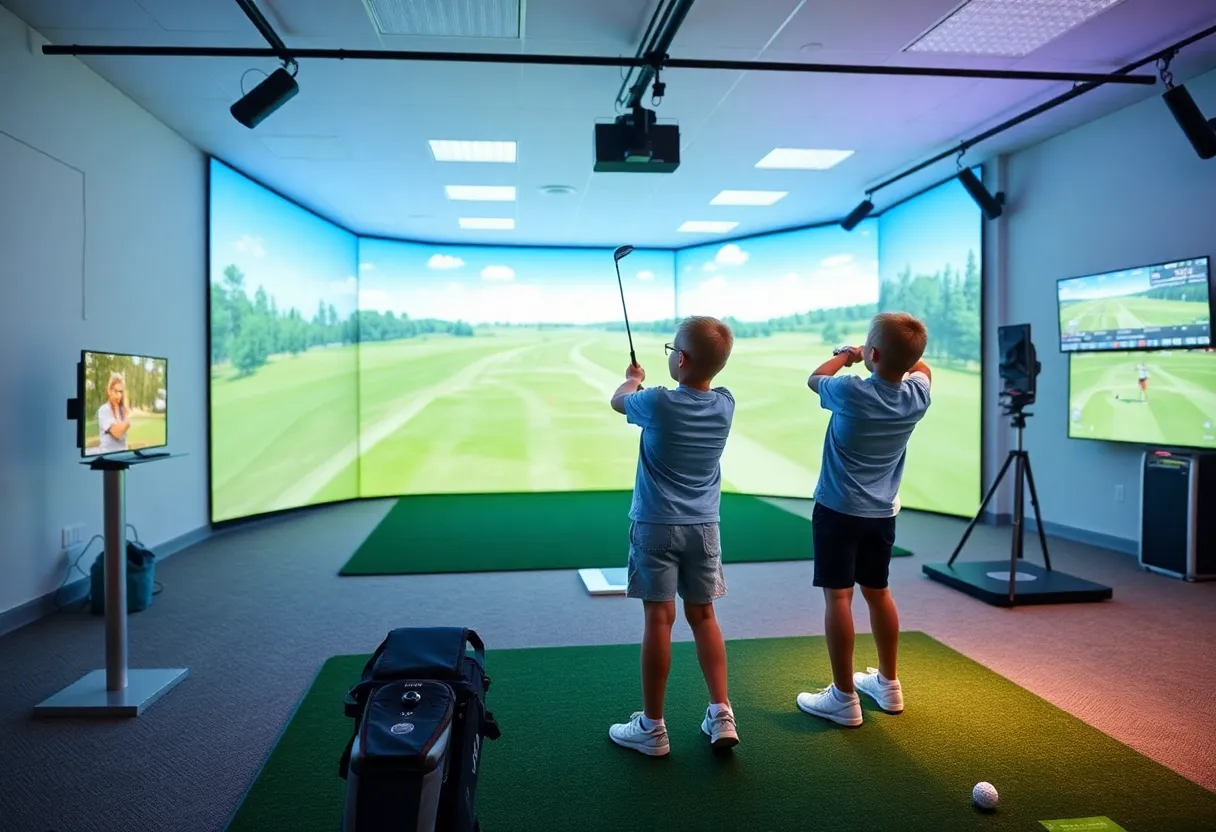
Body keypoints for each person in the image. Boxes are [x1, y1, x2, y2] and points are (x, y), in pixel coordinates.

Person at [606, 316, 738, 757]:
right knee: (704, 618)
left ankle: (652, 727)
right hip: (705, 529)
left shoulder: (657, 402)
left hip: (656, 527)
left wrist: (632, 379)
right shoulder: (725, 403)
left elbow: (618, 401)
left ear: (679, 359)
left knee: (659, 621)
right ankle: (721, 713)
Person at [797, 312, 932, 727]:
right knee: (878, 591)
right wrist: (890, 356)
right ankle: (889, 685)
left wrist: (846, 354)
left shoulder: (850, 390)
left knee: (839, 597)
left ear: (872, 353)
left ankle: (843, 696)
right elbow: (922, 367)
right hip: (881, 515)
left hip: (837, 510)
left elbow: (814, 378)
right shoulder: (917, 395)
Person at [96, 373, 131, 455]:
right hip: (108, 457)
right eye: (116, 391)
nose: (119, 395)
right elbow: (117, 433)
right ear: (109, 391)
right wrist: (127, 418)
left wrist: (125, 411)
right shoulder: (104, 409)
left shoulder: (122, 410)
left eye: (121, 392)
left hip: (123, 455)